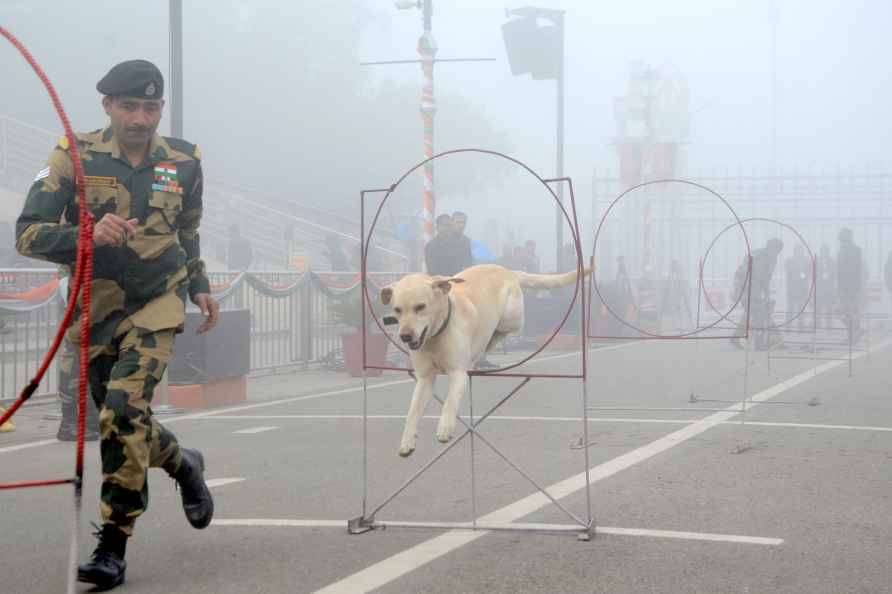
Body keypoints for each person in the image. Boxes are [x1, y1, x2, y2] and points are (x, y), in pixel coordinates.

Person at [15, 59, 219, 590]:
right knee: (118, 421)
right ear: (107, 105)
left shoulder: (185, 160)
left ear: (161, 110)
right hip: (94, 310)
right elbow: (28, 234)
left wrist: (198, 284)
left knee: (124, 413)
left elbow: (188, 229)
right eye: (129, 106)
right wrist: (86, 232)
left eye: (151, 108)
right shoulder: (73, 156)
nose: (140, 118)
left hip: (157, 303)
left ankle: (113, 544)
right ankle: (182, 462)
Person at [731, 238, 784, 349]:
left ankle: (736, 337)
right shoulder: (765, 257)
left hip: (748, 288)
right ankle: (761, 343)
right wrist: (766, 294)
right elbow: (761, 277)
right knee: (760, 314)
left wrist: (766, 294)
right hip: (750, 289)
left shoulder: (762, 255)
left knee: (751, 313)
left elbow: (764, 277)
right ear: (772, 248)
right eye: (777, 250)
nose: (777, 253)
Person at [837, 228, 864, 343]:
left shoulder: (855, 251)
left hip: (850, 287)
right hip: (844, 286)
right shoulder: (842, 251)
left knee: (847, 311)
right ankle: (855, 332)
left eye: (842, 239)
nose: (841, 242)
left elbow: (854, 270)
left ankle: (855, 333)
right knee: (845, 311)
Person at [784, 244, 810, 330]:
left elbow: (808, 273)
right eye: (798, 251)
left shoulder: (806, 261)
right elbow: (789, 270)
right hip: (792, 288)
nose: (799, 253)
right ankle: (788, 326)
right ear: (795, 252)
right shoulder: (789, 261)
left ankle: (800, 326)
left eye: (800, 251)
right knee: (790, 308)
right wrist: (799, 270)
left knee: (800, 308)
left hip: (802, 288)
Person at [815, 244, 836, 329]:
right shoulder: (817, 261)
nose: (824, 253)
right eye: (822, 251)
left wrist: (829, 275)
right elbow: (814, 272)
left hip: (828, 289)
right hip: (820, 288)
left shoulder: (832, 262)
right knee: (818, 308)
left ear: (828, 252)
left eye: (825, 251)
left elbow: (834, 273)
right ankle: (818, 325)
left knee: (828, 308)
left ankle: (829, 325)